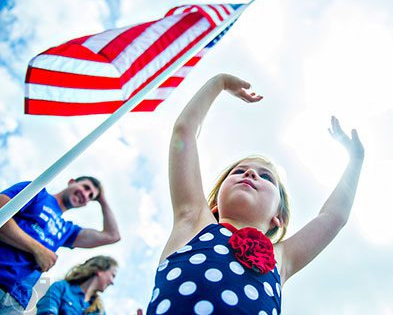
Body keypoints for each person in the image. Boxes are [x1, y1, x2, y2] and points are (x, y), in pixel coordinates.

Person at [146, 74, 364, 314]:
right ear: (217, 202)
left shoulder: (282, 259)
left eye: (266, 176)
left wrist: (355, 160)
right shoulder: (193, 220)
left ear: (278, 217)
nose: (250, 173)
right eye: (238, 171)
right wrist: (220, 83)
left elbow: (333, 217)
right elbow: (184, 132)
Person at [0, 176, 121, 314]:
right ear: (71, 182)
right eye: (86, 187)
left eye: (91, 196)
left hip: (16, 299)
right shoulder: (37, 193)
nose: (86, 195)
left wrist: (102, 200)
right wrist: (37, 249)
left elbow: (113, 236)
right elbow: (1, 213)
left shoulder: (66, 230)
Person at [36, 255, 117, 315]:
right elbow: (46, 311)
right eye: (112, 275)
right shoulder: (62, 287)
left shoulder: (99, 311)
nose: (112, 282)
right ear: (100, 270)